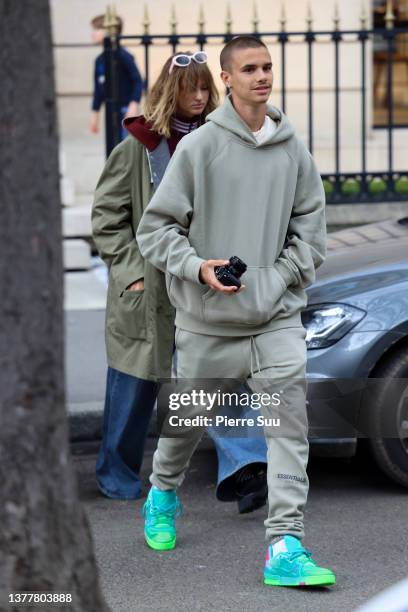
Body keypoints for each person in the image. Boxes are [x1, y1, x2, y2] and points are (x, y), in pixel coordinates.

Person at [137, 36, 336, 587]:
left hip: (274, 318)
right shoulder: (200, 149)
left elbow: (311, 233)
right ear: (227, 78)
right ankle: (162, 493)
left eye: (267, 66)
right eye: (249, 68)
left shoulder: (293, 147)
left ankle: (285, 545)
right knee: (187, 425)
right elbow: (155, 231)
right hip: (207, 322)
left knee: (288, 430)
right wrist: (199, 267)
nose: (261, 76)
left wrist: (280, 278)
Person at [92, 51, 268, 511]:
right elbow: (108, 218)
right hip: (148, 287)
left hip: (202, 284)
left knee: (218, 379)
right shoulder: (138, 145)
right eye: (191, 88)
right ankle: (117, 475)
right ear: (171, 91)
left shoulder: (219, 141)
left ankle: (246, 471)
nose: (200, 96)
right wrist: (131, 275)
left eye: (206, 88)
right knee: (133, 386)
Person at [90, 14, 143, 139]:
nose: (93, 34)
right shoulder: (99, 60)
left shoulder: (123, 56)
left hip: (126, 110)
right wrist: (94, 115)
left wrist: (133, 105)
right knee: (113, 145)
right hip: (111, 111)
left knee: (125, 146)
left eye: (97, 29)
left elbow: (138, 81)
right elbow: (98, 91)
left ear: (110, 31)